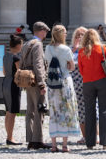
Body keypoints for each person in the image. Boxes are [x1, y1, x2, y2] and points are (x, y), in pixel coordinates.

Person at [45, 24, 79, 152]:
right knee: (66, 111)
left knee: (54, 111)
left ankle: (54, 145)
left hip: (52, 84)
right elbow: (72, 67)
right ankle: (64, 145)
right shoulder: (66, 49)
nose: (66, 34)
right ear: (61, 34)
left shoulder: (47, 48)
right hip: (65, 81)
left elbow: (47, 63)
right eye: (64, 32)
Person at [78, 28, 106, 150]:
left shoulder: (82, 51)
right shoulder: (102, 48)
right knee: (104, 110)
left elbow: (80, 69)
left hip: (87, 83)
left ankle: (90, 142)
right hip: (102, 80)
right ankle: (105, 142)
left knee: (89, 111)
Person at [20, 21, 51, 150]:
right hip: (36, 81)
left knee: (30, 110)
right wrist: (42, 84)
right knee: (39, 110)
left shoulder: (27, 43)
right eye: (46, 32)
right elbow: (38, 65)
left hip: (28, 80)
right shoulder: (37, 44)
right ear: (41, 31)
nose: (46, 35)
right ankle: (37, 140)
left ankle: (31, 139)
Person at [71, 26, 93, 145]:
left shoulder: (90, 49)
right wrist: (75, 48)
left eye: (82, 35)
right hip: (76, 84)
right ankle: (85, 136)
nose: (80, 37)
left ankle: (96, 135)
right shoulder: (71, 50)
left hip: (88, 81)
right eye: (77, 35)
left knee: (93, 108)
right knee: (81, 110)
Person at [2, 33, 23, 146]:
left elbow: (4, 72)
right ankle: (10, 137)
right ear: (18, 45)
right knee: (12, 112)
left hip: (5, 82)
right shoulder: (16, 57)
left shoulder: (6, 55)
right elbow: (20, 72)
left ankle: (9, 135)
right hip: (13, 85)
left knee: (8, 111)